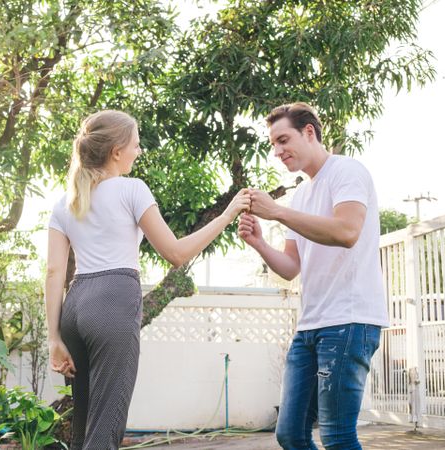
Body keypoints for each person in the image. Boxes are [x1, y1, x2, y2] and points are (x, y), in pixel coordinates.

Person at [46, 110, 251, 450]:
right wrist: (228, 215)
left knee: (84, 419)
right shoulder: (132, 190)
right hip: (113, 301)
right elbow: (176, 253)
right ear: (116, 151)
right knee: (108, 420)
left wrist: (53, 337)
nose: (138, 153)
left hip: (75, 305)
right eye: (136, 146)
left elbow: (54, 273)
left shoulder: (65, 203)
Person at [238, 102, 389, 450]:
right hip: (309, 326)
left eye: (283, 140)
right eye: (273, 144)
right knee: (289, 433)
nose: (277, 151)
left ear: (309, 132)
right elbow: (291, 267)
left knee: (337, 435)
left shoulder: (347, 171)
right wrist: (259, 242)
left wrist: (276, 211)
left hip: (350, 321)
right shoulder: (301, 194)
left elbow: (347, 231)